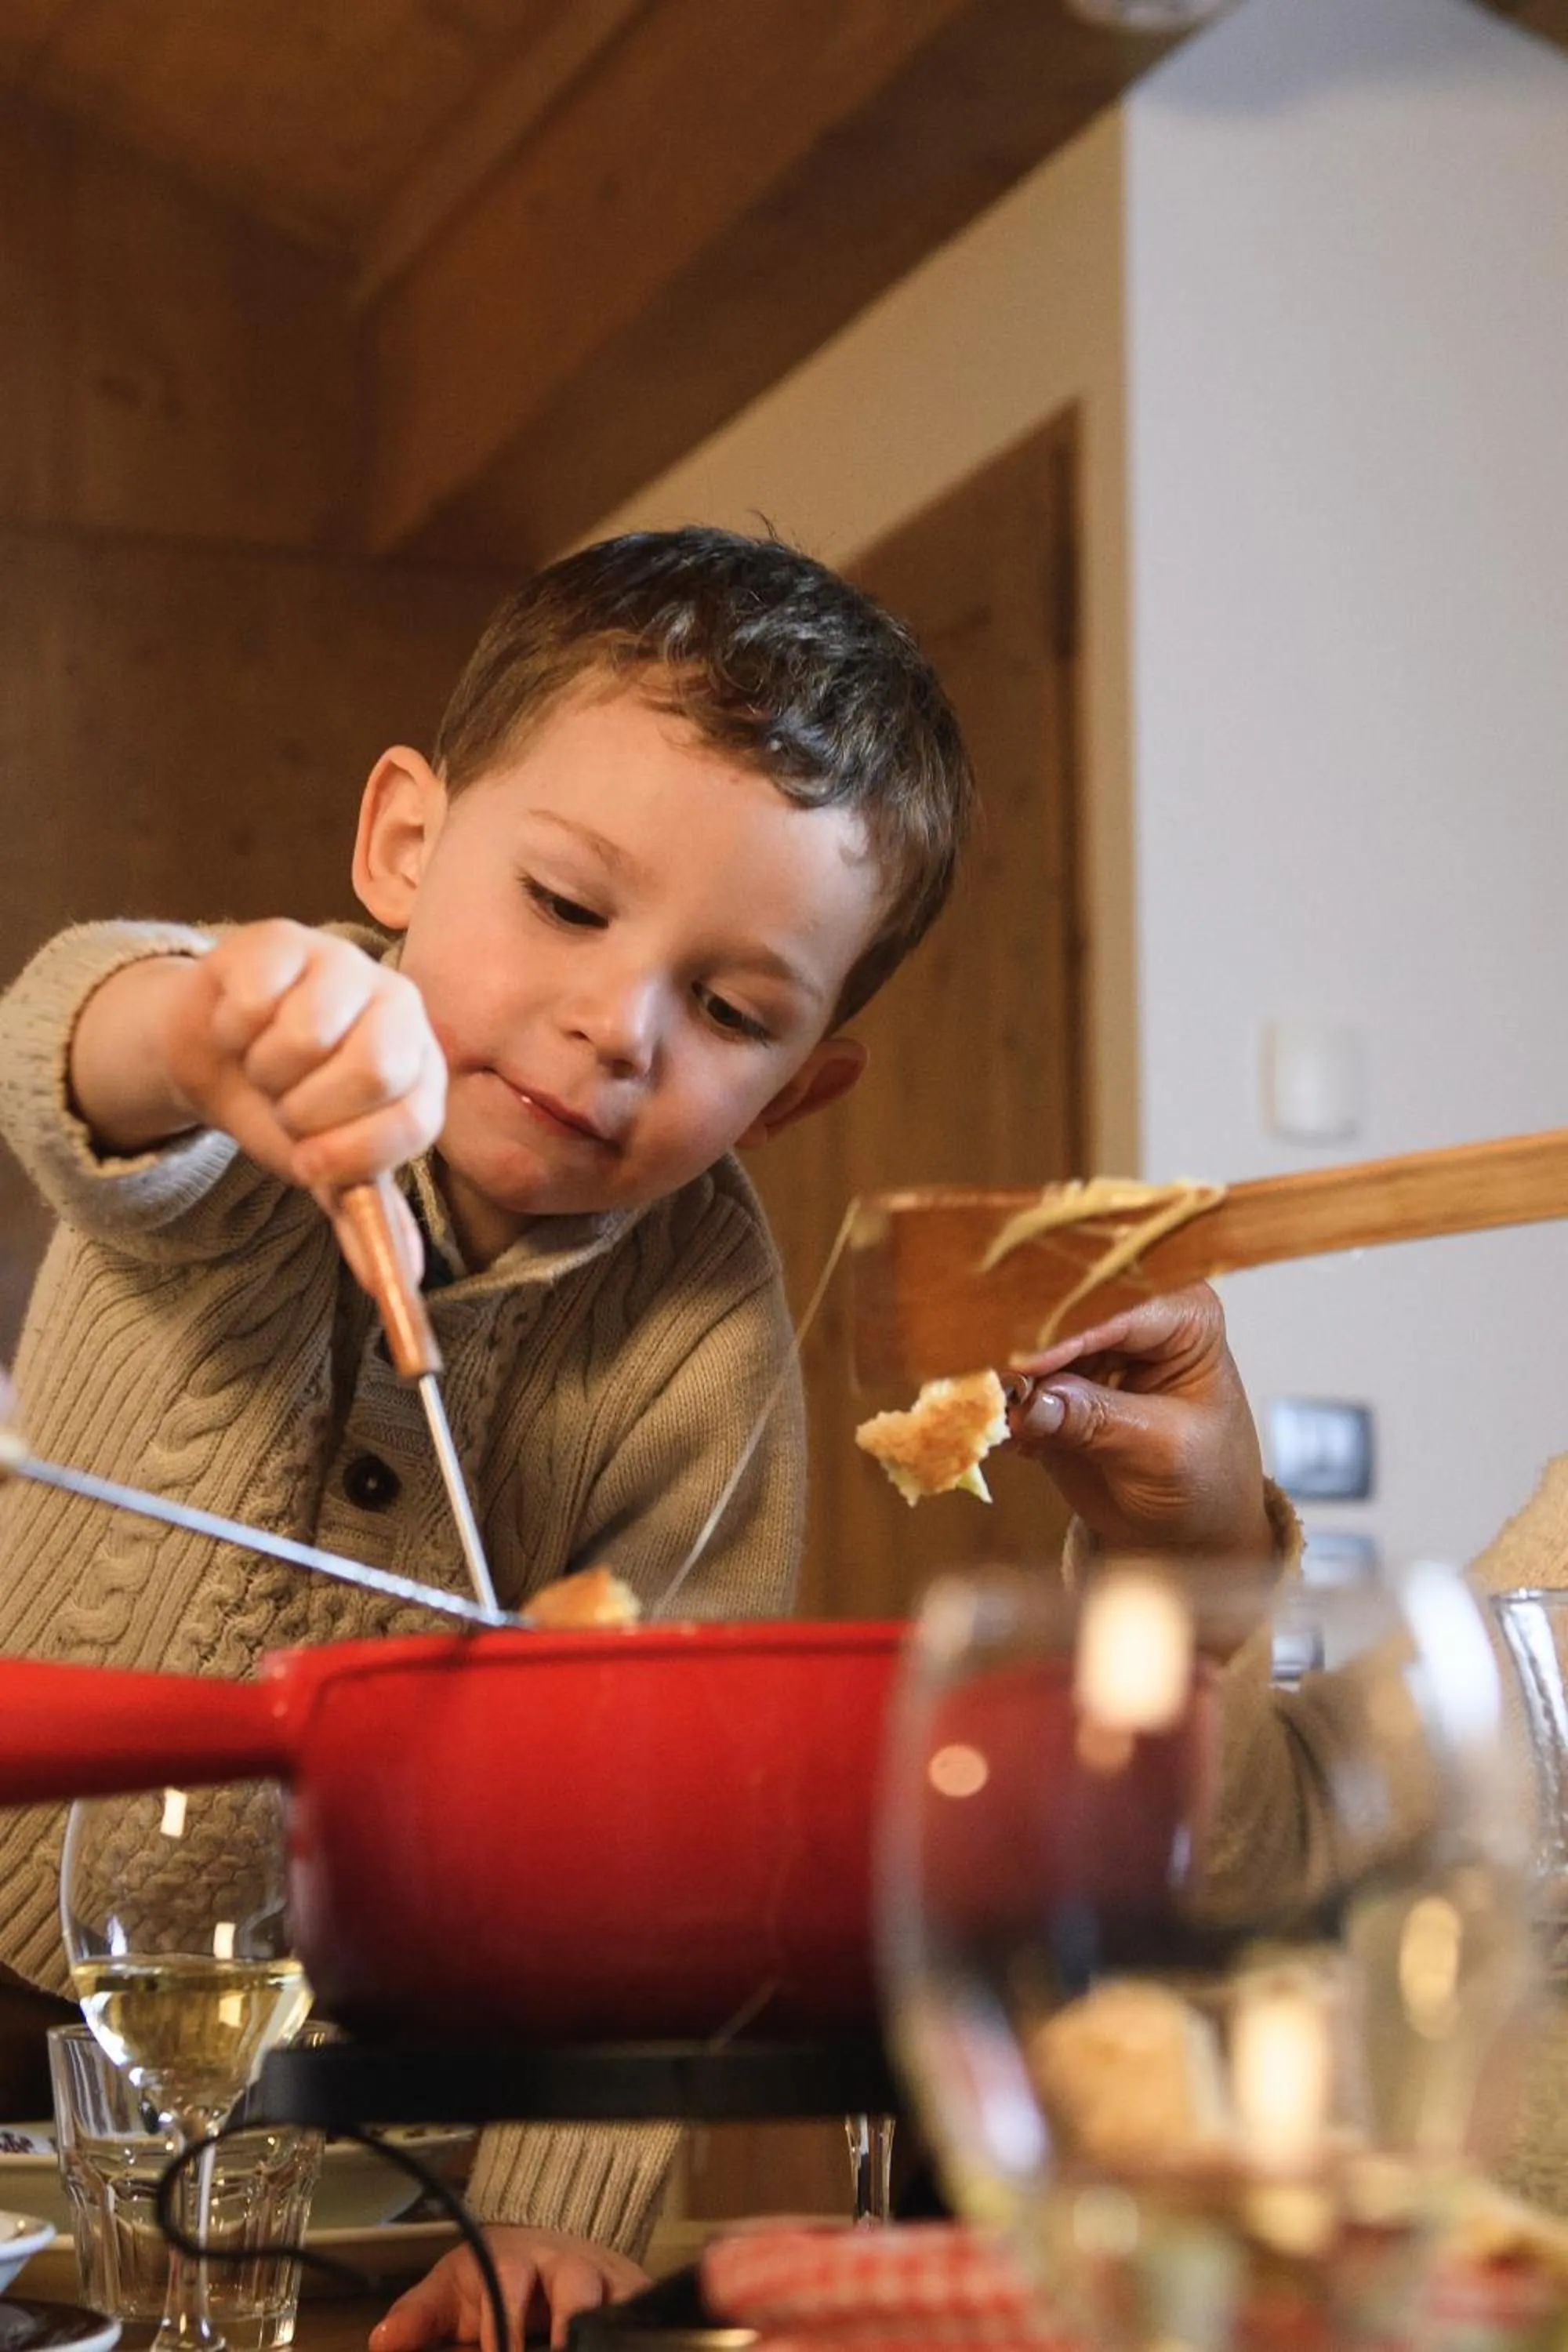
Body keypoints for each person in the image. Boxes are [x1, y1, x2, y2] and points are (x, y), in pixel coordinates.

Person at [0, 522, 1292, 2347]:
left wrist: (544, 2217)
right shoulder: (263, 1067)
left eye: (731, 1008)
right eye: (568, 906)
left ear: (800, 1090)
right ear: (405, 842)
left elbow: (638, 1836)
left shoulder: (698, 1341)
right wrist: (196, 1019)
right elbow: (82, 1067)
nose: (617, 1025)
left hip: (392, 2101)